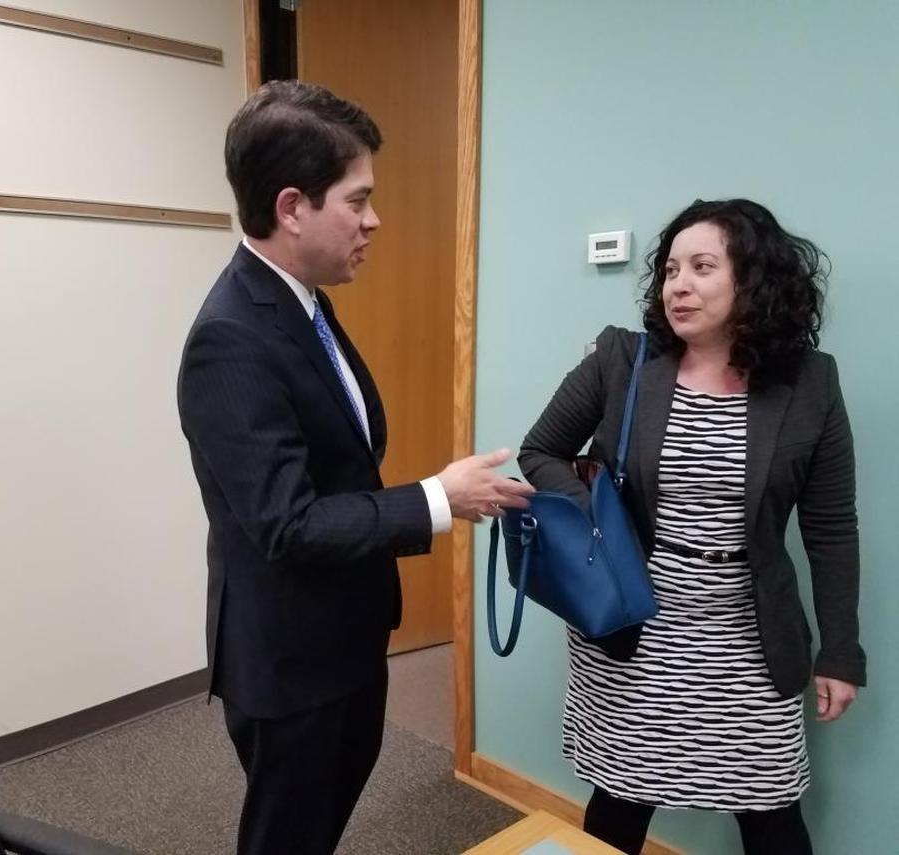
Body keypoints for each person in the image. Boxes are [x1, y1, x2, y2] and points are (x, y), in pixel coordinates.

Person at [177, 80, 533, 855]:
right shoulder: (229, 338)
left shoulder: (305, 301)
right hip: (291, 657)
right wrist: (438, 497)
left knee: (323, 818)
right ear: (292, 207)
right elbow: (286, 522)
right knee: (288, 836)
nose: (375, 220)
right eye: (358, 200)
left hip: (347, 631)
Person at [518, 199, 865, 855]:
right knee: (622, 797)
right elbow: (540, 452)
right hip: (637, 622)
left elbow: (831, 528)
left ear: (754, 279)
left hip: (748, 630)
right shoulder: (622, 361)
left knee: (769, 806)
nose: (678, 284)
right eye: (672, 269)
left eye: (702, 267)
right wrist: (601, 519)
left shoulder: (810, 383)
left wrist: (841, 652)